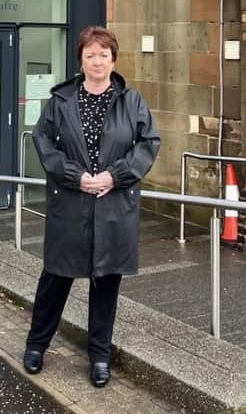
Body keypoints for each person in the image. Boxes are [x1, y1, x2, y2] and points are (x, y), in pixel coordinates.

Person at [23, 26, 160, 388]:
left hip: (113, 204)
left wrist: (115, 176)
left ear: (113, 59)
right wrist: (76, 177)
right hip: (71, 202)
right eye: (90, 55)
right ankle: (37, 345)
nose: (97, 61)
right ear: (81, 60)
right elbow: (44, 143)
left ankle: (100, 356)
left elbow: (148, 143)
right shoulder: (61, 102)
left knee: (106, 283)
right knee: (55, 278)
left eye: (103, 54)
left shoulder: (132, 102)